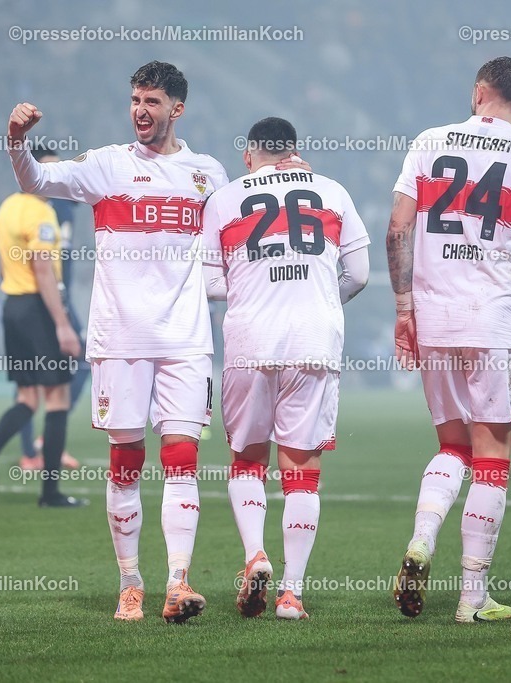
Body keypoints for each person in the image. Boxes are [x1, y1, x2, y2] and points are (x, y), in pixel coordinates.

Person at [6, 61, 307, 623]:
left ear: (177, 108)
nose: (140, 111)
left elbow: (255, 223)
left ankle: (177, 582)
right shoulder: (106, 166)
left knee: (183, 462)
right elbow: (36, 181)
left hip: (186, 341)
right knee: (125, 460)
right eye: (135, 101)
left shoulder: (207, 175)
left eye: (151, 102)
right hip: (119, 340)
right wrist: (16, 141)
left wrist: (291, 176)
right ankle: (130, 582)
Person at [385, 56, 511, 623]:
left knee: (452, 448)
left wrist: (404, 308)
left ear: (477, 94)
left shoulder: (427, 141)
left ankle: (422, 541)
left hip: (435, 320)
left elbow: (397, 229)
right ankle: (472, 600)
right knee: (493, 458)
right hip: (494, 324)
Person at [202, 117, 370, 620]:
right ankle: (291, 593)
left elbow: (210, 284)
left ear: (251, 155)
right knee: (302, 471)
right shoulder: (331, 191)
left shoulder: (226, 198)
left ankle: (255, 555)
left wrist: (258, 292)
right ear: (294, 151)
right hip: (313, 342)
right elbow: (359, 273)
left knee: (248, 459)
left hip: (251, 342)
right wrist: (321, 300)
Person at [0, 143, 85, 508]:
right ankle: (50, 493)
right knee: (57, 399)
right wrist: (63, 324)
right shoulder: (42, 213)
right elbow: (42, 269)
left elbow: (4, 263)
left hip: (12, 307)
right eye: (47, 171)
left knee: (26, 398)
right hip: (39, 308)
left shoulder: (6, 207)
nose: (52, 179)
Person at [17, 147, 84, 473]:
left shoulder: (68, 199)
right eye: (48, 170)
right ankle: (31, 452)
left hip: (64, 297)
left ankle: (46, 442)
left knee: (81, 363)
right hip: (40, 298)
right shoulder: (34, 207)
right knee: (30, 380)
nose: (56, 175)